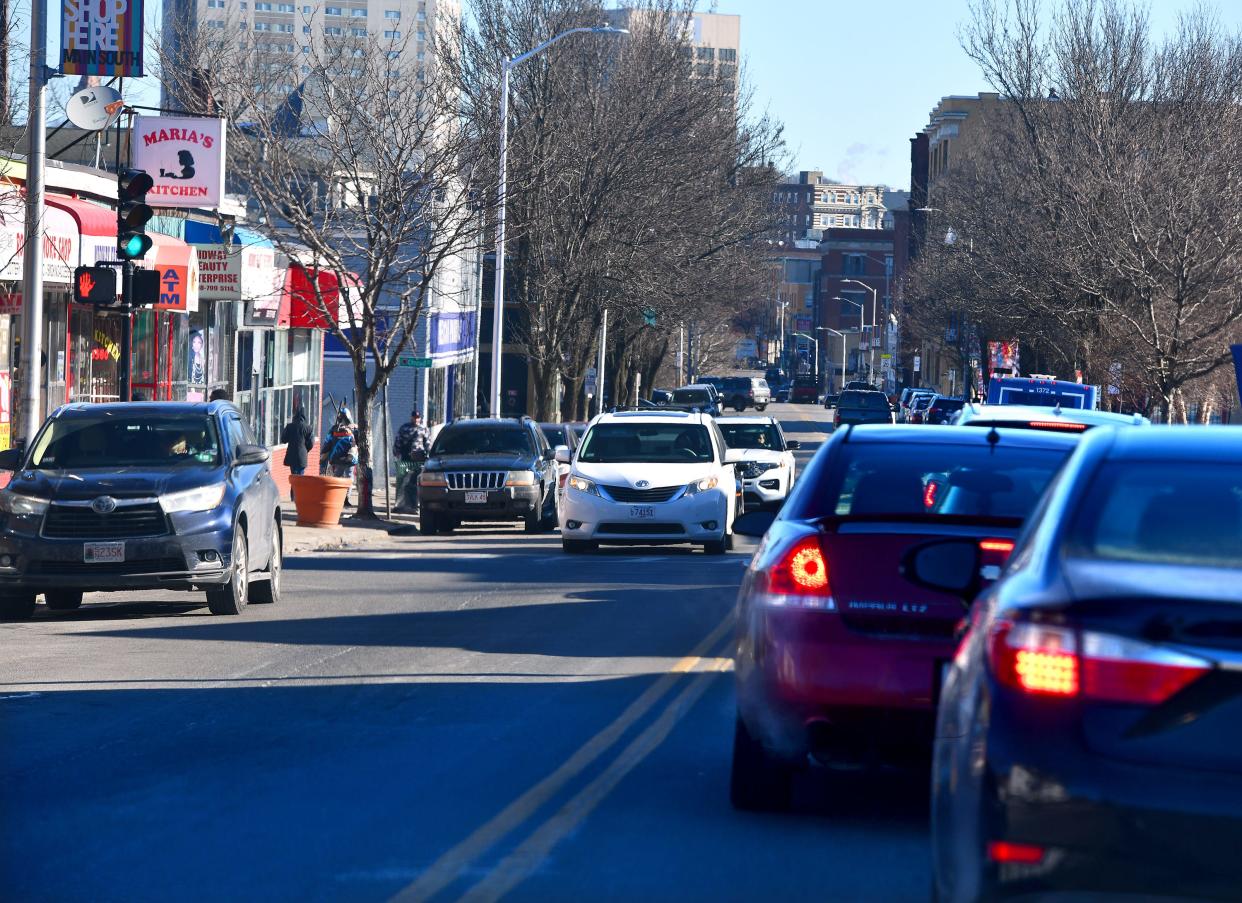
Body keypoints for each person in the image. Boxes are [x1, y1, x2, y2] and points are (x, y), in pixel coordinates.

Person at [393, 410, 430, 511]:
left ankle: (414, 505)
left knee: (415, 482)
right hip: (405, 458)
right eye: (414, 417)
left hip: (419, 459)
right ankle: (399, 505)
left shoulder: (424, 429)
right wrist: (396, 452)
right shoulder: (404, 428)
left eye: (418, 417)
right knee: (401, 481)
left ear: (420, 418)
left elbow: (427, 443)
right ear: (411, 417)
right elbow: (398, 441)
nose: (416, 419)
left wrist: (428, 455)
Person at [324, 408, 359, 505]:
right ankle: (346, 498)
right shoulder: (354, 428)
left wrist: (325, 456)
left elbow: (327, 442)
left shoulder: (334, 429)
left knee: (337, 477)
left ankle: (335, 496)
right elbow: (359, 441)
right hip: (350, 458)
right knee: (348, 478)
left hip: (337, 458)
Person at [281, 402, 314, 498]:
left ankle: (293, 496)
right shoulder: (308, 428)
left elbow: (283, 439)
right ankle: (297, 496)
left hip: (291, 455)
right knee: (300, 477)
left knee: (294, 476)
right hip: (302, 456)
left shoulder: (290, 426)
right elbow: (311, 443)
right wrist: (305, 449)